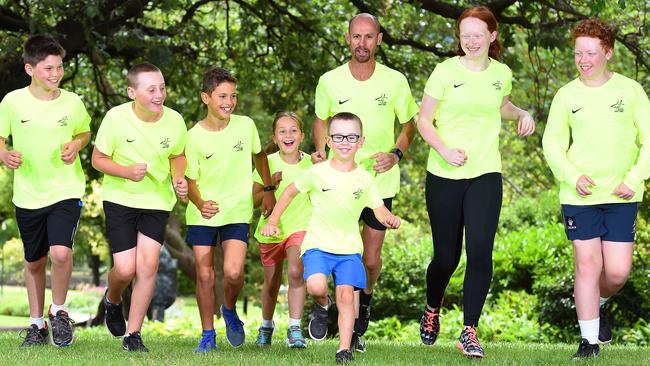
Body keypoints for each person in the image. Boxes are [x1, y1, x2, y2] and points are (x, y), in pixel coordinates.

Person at [416, 6, 535, 358]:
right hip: (444, 174)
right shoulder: (444, 71)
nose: (470, 40)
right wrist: (445, 149)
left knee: (481, 250)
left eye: (477, 34)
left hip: (485, 173)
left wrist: (522, 113)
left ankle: (469, 330)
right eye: (465, 34)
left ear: (492, 37)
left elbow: (501, 105)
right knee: (446, 257)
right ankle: (431, 307)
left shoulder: (501, 73)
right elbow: (424, 121)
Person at [542, 19, 650, 359]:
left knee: (617, 273)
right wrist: (572, 176)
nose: (583, 60)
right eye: (578, 53)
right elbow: (553, 144)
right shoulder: (566, 95)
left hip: (622, 195)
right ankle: (589, 342)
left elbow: (649, 140)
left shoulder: (630, 91)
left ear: (608, 52)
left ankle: (600, 301)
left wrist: (632, 180)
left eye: (590, 53)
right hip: (580, 196)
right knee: (586, 266)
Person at [311, 13, 418, 352]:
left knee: (369, 260)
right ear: (347, 38)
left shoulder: (395, 81)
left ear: (379, 40)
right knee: (333, 250)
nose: (362, 43)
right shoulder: (330, 80)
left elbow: (409, 125)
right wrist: (319, 151)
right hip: (336, 182)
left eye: (369, 37)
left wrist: (396, 154)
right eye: (356, 36)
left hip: (379, 182)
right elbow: (320, 120)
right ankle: (342, 319)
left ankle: (365, 299)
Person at [263, 112, 400, 364]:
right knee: (315, 286)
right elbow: (290, 192)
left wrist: (389, 218)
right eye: (338, 136)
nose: (344, 142)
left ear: (361, 141)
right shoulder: (318, 172)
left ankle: (344, 349)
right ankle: (323, 305)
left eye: (351, 137)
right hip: (318, 245)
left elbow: (378, 209)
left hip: (349, 249)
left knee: (347, 296)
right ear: (328, 140)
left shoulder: (365, 179)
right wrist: (272, 221)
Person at [0, 35, 91, 348]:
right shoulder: (12, 102)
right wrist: (4, 154)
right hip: (27, 194)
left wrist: (76, 144)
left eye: (60, 67)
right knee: (34, 262)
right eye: (48, 68)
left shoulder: (73, 102)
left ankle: (60, 311)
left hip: (66, 188)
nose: (56, 74)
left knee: (61, 252)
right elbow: (0, 137)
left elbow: (84, 131)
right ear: (30, 69)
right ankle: (37, 324)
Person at [92, 62, 188, 352]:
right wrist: (125, 171)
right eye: (151, 89)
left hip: (156, 201)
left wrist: (179, 177)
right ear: (132, 92)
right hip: (120, 198)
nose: (159, 94)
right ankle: (113, 298)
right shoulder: (115, 118)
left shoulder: (175, 120)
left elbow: (178, 155)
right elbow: (98, 159)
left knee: (148, 265)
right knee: (124, 269)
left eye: (162, 87)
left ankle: (133, 335)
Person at [184, 67, 275, 352]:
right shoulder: (193, 136)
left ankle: (229, 309)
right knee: (204, 274)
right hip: (203, 213)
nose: (229, 102)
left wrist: (269, 189)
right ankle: (208, 335)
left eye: (233, 96)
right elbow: (190, 179)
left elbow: (260, 157)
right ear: (205, 97)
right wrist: (199, 203)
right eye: (222, 96)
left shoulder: (246, 125)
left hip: (237, 210)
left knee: (233, 274)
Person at [252, 111, 312, 348]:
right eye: (282, 131)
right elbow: (254, 200)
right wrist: (270, 186)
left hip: (301, 226)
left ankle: (295, 328)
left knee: (296, 271)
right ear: (275, 138)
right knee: (272, 282)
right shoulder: (267, 163)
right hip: (270, 231)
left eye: (293, 130)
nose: (288, 135)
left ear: (302, 135)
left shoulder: (312, 164)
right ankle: (266, 326)